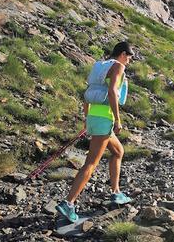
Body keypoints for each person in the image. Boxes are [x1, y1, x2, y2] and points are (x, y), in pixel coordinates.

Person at [56, 41, 134, 223]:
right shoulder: (118, 67)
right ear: (123, 54)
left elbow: (88, 92)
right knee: (90, 164)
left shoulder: (99, 66)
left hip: (94, 116)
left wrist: (87, 118)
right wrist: (117, 119)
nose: (129, 61)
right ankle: (68, 203)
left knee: (118, 151)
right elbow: (113, 92)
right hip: (104, 119)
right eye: (129, 57)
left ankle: (116, 192)